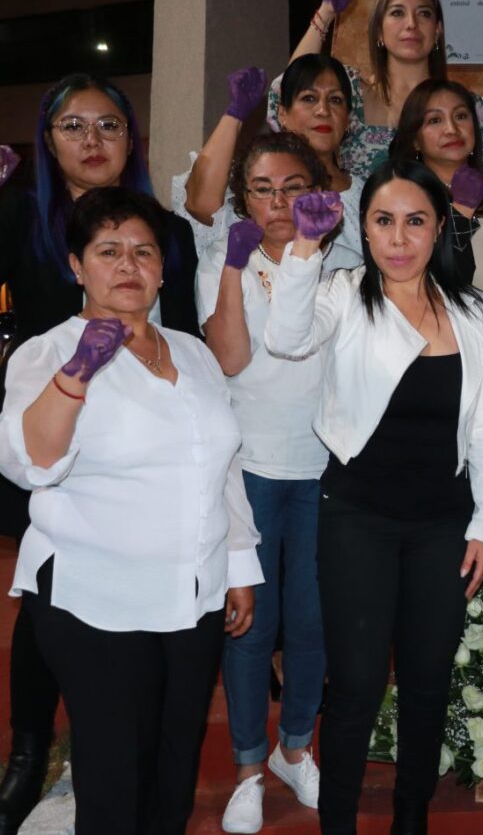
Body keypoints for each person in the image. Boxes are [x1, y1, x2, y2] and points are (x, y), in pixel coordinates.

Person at [0, 73, 200, 835]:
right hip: (47, 429)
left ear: (130, 138)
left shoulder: (164, 230)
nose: (92, 139)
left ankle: (99, 755)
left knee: (123, 612)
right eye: (73, 125)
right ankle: (28, 757)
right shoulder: (19, 212)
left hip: (138, 452)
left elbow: (184, 335)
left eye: (108, 124)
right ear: (48, 142)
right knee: (47, 605)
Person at [0, 186, 261, 834]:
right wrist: (77, 377)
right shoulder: (49, 353)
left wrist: (239, 563)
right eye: (108, 251)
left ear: (164, 268)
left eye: (143, 251)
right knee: (113, 772)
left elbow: (221, 462)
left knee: (174, 761)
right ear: (77, 266)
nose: (129, 265)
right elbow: (26, 461)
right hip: (94, 596)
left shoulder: (190, 353)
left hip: (190, 593)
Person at [263, 162, 483, 833]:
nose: (399, 238)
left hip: (444, 525)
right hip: (357, 519)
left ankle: (410, 822)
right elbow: (284, 339)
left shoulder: (476, 311)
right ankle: (337, 824)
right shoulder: (341, 293)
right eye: (383, 220)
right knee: (359, 687)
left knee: (428, 686)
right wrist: (304, 251)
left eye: (416, 220)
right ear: (362, 228)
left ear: (438, 230)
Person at [197, 133, 334, 833]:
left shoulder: (340, 261)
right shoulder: (224, 260)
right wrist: (236, 262)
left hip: (323, 469)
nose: (278, 202)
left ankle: (296, 747)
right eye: (261, 188)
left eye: (292, 186)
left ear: (317, 189)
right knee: (251, 626)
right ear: (241, 198)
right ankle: (249, 766)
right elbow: (227, 358)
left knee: (313, 624)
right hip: (248, 469)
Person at [281, 0, 483, 177]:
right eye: (397, 13)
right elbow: (291, 90)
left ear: (437, 31)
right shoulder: (349, 92)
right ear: (379, 32)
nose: (411, 23)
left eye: (424, 13)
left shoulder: (468, 106)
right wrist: (326, 13)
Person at [177, 53, 365, 267]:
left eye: (335, 100)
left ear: (348, 118)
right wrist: (235, 114)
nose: (323, 110)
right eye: (309, 98)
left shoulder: (367, 196)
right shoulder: (256, 181)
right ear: (282, 114)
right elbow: (201, 204)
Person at [389, 79, 483, 294]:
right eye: (434, 120)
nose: (451, 129)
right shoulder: (406, 199)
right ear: (415, 140)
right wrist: (461, 211)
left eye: (460, 116)